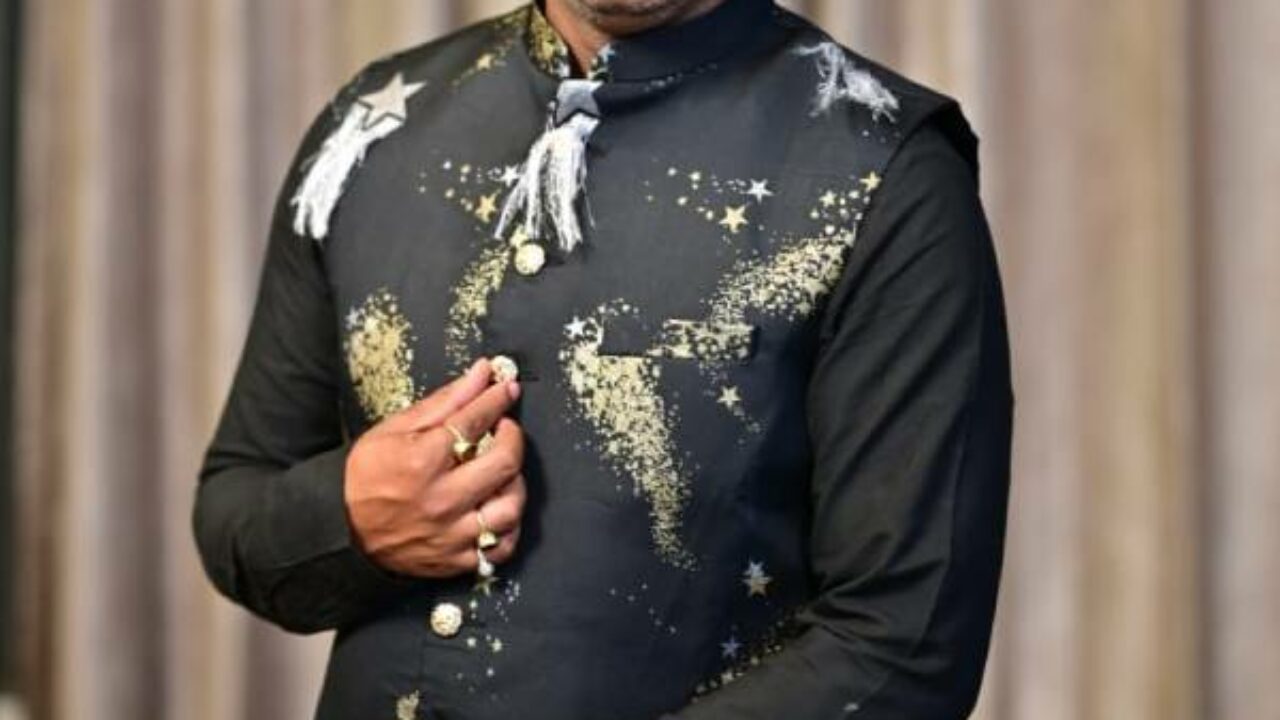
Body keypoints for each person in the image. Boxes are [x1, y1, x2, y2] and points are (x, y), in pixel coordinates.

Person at [192, 0, 1014, 718]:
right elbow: (235, 509)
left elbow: (903, 645)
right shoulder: (372, 130)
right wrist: (352, 519)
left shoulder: (884, 168)